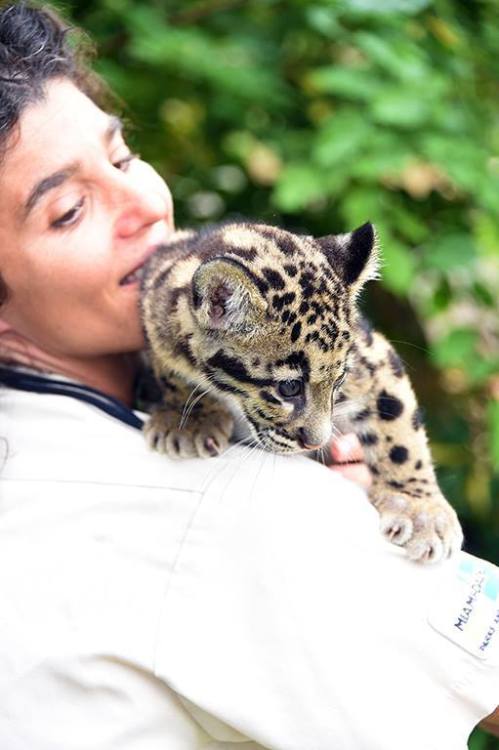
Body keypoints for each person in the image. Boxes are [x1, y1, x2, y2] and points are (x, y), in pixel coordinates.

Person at [0, 3, 497, 748]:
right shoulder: (235, 502)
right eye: (69, 210)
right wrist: (363, 514)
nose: (144, 206)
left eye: (124, 155)